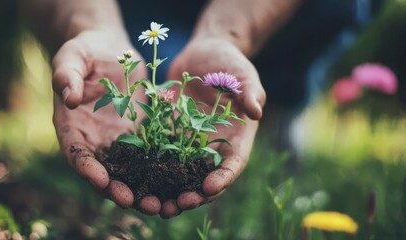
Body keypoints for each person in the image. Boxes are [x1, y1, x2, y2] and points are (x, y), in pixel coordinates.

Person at [21, 0, 301, 218]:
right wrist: (90, 26)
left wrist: (228, 36)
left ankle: (281, 104)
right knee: (162, 67)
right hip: (128, 12)